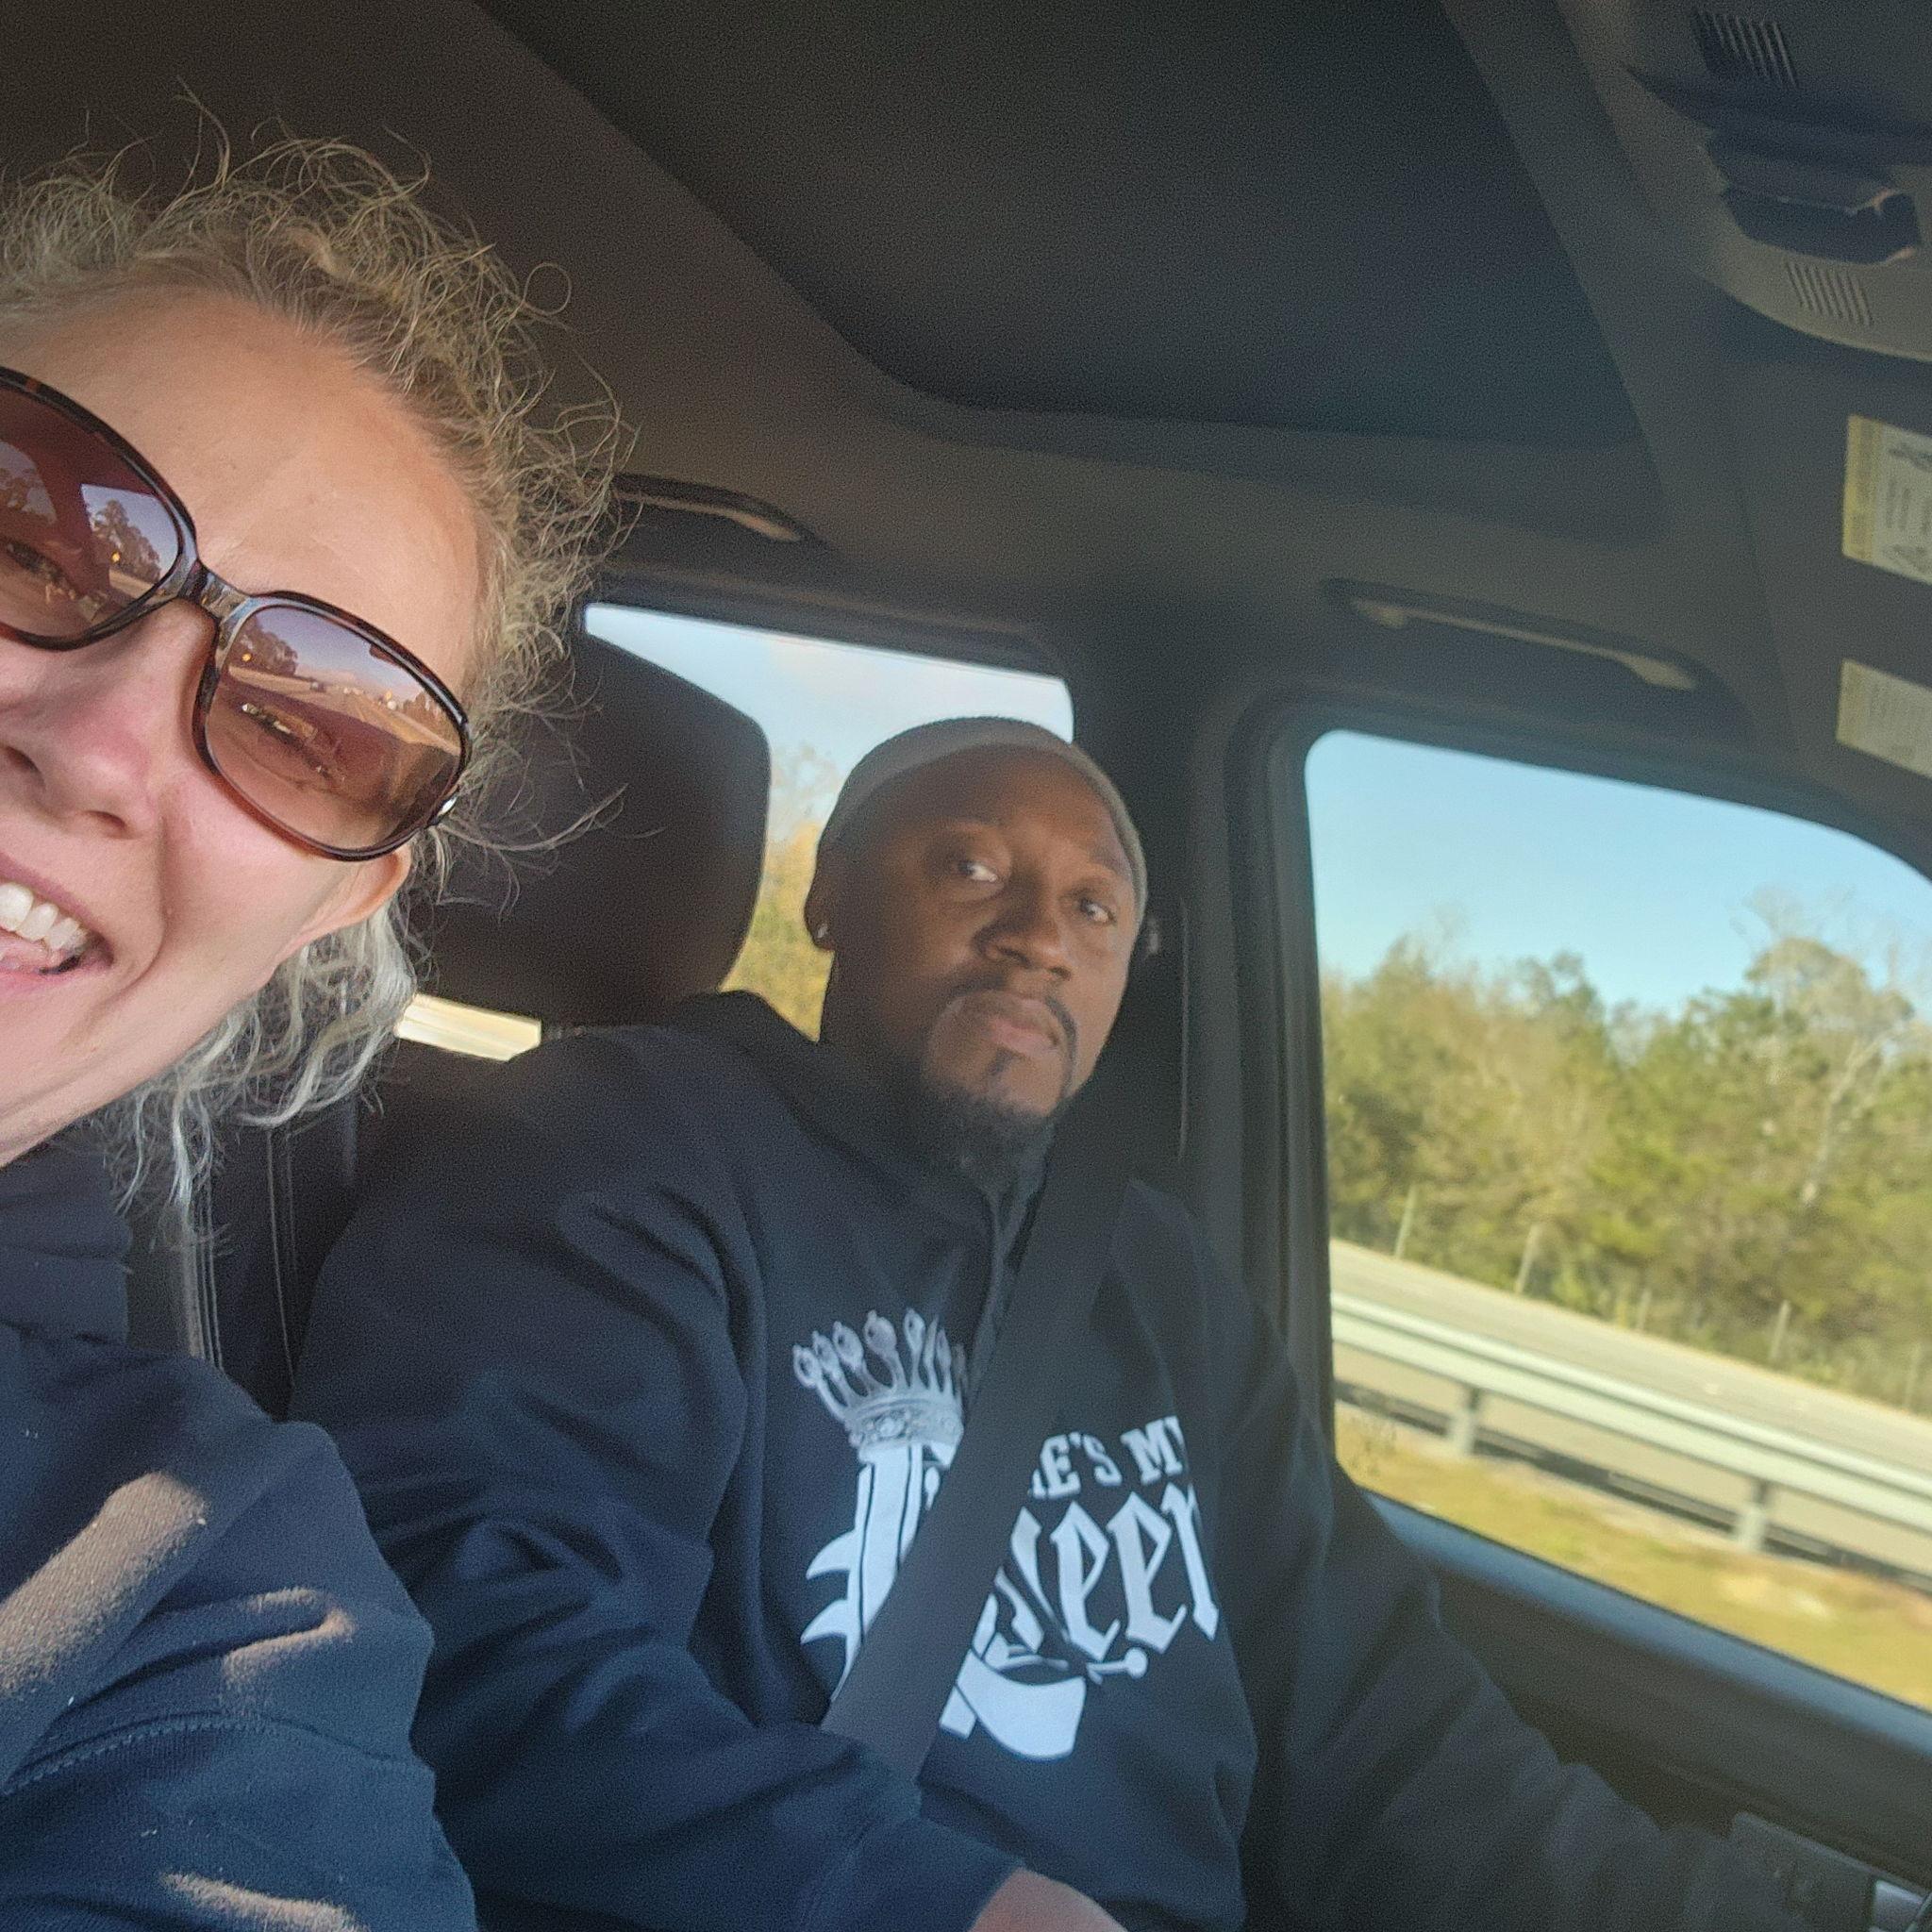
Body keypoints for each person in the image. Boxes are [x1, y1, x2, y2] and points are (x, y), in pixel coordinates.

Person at [291, 718, 1807, 1932]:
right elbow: (474, 1624)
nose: (1038, 936)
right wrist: (942, 1903)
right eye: (968, 867)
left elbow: (1389, 1736)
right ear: (830, 898)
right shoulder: (617, 1148)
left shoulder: (1156, 1276)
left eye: (1095, 905)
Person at [0, 130, 610, 1924]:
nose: (103, 747)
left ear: (332, 904)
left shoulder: (197, 1592)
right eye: (28, 533)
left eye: (308, 727)